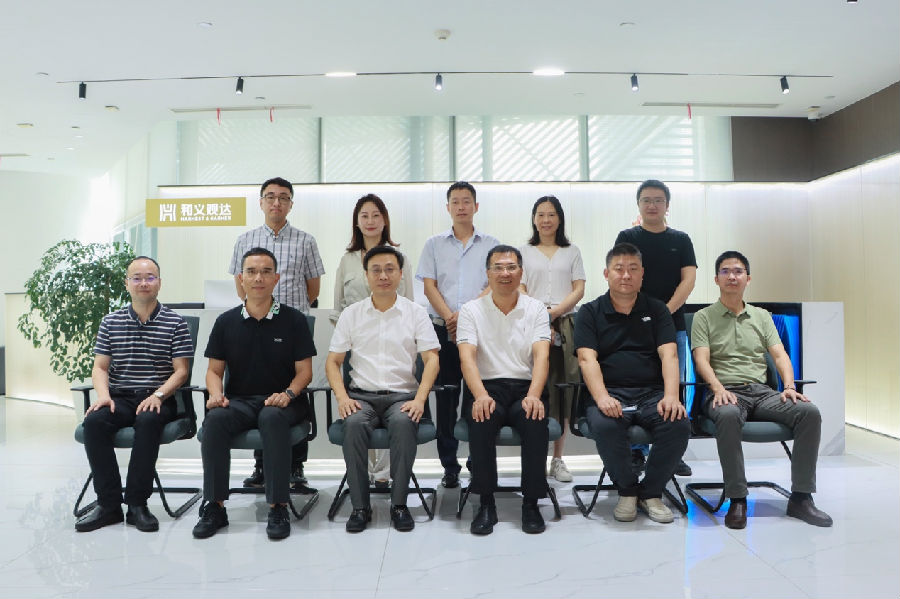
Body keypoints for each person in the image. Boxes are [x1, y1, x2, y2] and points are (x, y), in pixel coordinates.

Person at [691, 250, 832, 529]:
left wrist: (789, 386)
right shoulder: (703, 317)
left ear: (748, 278)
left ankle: (801, 498)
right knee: (728, 414)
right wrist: (717, 388)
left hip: (762, 392)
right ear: (716, 279)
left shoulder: (762, 316)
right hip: (725, 391)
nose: (732, 276)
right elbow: (701, 360)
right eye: (725, 271)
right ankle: (737, 498)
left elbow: (780, 355)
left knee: (809, 412)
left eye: (738, 271)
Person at [193, 247, 316, 540]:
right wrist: (215, 394)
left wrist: (288, 393)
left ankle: (278, 506)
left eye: (265, 272)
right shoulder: (226, 322)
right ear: (241, 279)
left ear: (276, 278)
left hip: (285, 401)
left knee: (272, 417)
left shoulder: (294, 320)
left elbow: (305, 372)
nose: (258, 278)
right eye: (251, 272)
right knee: (215, 420)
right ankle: (215, 505)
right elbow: (214, 371)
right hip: (241, 401)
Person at [573, 243, 690, 524]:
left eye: (633, 269)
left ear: (642, 274)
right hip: (610, 392)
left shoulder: (657, 310)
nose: (626, 275)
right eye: (619, 269)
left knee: (677, 423)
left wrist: (671, 395)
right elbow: (587, 359)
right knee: (605, 424)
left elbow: (670, 354)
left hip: (652, 394)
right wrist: (602, 397)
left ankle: (651, 492)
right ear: (606, 274)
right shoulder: (589, 312)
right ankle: (626, 490)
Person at [76, 256, 194, 533]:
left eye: (150, 277)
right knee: (94, 422)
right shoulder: (110, 322)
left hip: (158, 397)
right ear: (127, 283)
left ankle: (137, 504)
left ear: (159, 283)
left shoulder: (175, 323)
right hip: (120, 397)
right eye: (137, 278)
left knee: (149, 420)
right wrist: (103, 396)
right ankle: (108, 505)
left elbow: (181, 371)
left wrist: (159, 395)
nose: (144, 283)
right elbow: (100, 367)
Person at [326, 246, 440, 533]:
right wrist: (342, 397)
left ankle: (399, 505)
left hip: (402, 397)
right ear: (366, 276)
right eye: (376, 270)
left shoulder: (415, 313)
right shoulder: (352, 314)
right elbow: (333, 362)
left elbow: (432, 359)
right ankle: (360, 507)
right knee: (353, 424)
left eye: (390, 269)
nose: (383, 276)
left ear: (400, 274)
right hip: (361, 397)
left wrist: (420, 400)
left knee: (403, 422)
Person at [228, 176, 325, 490]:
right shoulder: (245, 240)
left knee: (294, 391)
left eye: (283, 197)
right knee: (258, 391)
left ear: (290, 204)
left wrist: (290, 317)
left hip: (293, 325)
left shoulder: (306, 241)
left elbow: (313, 288)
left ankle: (296, 466)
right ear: (261, 203)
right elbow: (240, 286)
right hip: (256, 324)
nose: (276, 202)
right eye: (270, 197)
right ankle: (261, 466)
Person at [457, 245, 552, 535]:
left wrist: (534, 395)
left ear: (521, 272)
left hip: (526, 386)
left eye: (511, 267)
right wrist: (480, 395)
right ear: (488, 273)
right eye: (498, 267)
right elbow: (467, 358)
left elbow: (542, 356)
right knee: (482, 418)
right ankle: (485, 503)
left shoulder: (536, 308)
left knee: (535, 419)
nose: (505, 273)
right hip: (486, 386)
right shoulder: (471, 310)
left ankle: (531, 503)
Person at [416, 181, 499, 489]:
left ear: (476, 207)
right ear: (448, 207)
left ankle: (477, 460)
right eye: (455, 201)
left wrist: (465, 315)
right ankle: (449, 465)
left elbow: (493, 284)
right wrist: (452, 318)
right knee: (447, 397)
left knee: (477, 394)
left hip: (480, 329)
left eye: (467, 201)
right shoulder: (433, 244)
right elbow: (429, 286)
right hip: (442, 329)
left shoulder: (492, 244)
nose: (461, 206)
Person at [331, 194, 415, 488]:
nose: (370, 221)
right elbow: (338, 305)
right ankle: (364, 474)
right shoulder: (347, 260)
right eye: (364, 216)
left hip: (394, 343)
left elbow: (409, 302)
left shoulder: (399, 257)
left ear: (384, 220)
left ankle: (384, 473)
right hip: (355, 344)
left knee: (395, 406)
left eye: (376, 215)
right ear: (357, 222)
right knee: (359, 409)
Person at [616, 179, 696, 477]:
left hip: (672, 325)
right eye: (646, 200)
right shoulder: (628, 236)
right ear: (638, 204)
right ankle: (637, 451)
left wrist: (664, 312)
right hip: (633, 324)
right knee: (637, 386)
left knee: (674, 386)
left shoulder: (681, 239)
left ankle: (673, 452)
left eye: (658, 200)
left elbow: (688, 280)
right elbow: (622, 275)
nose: (652, 205)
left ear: (667, 205)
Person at [519, 195, 585, 482]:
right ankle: (534, 456)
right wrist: (540, 315)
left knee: (562, 389)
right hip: (530, 323)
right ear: (534, 219)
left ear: (560, 219)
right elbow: (519, 287)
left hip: (566, 323)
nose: (546, 220)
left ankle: (557, 459)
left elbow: (579, 288)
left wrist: (554, 313)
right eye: (541, 214)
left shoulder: (572, 251)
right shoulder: (523, 251)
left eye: (551, 214)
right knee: (534, 385)